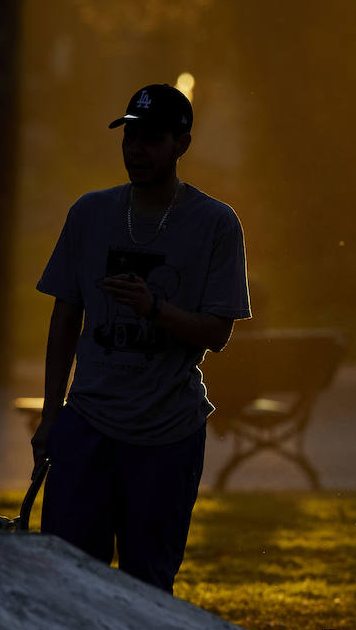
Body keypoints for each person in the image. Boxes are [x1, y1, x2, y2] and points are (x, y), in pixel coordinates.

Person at [32, 83, 251, 592]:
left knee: (147, 588)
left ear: (182, 144)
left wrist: (154, 307)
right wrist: (50, 418)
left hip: (167, 434)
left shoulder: (215, 224)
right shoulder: (90, 214)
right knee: (66, 580)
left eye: (152, 139)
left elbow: (218, 333)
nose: (137, 150)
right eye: (130, 137)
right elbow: (66, 317)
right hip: (87, 424)